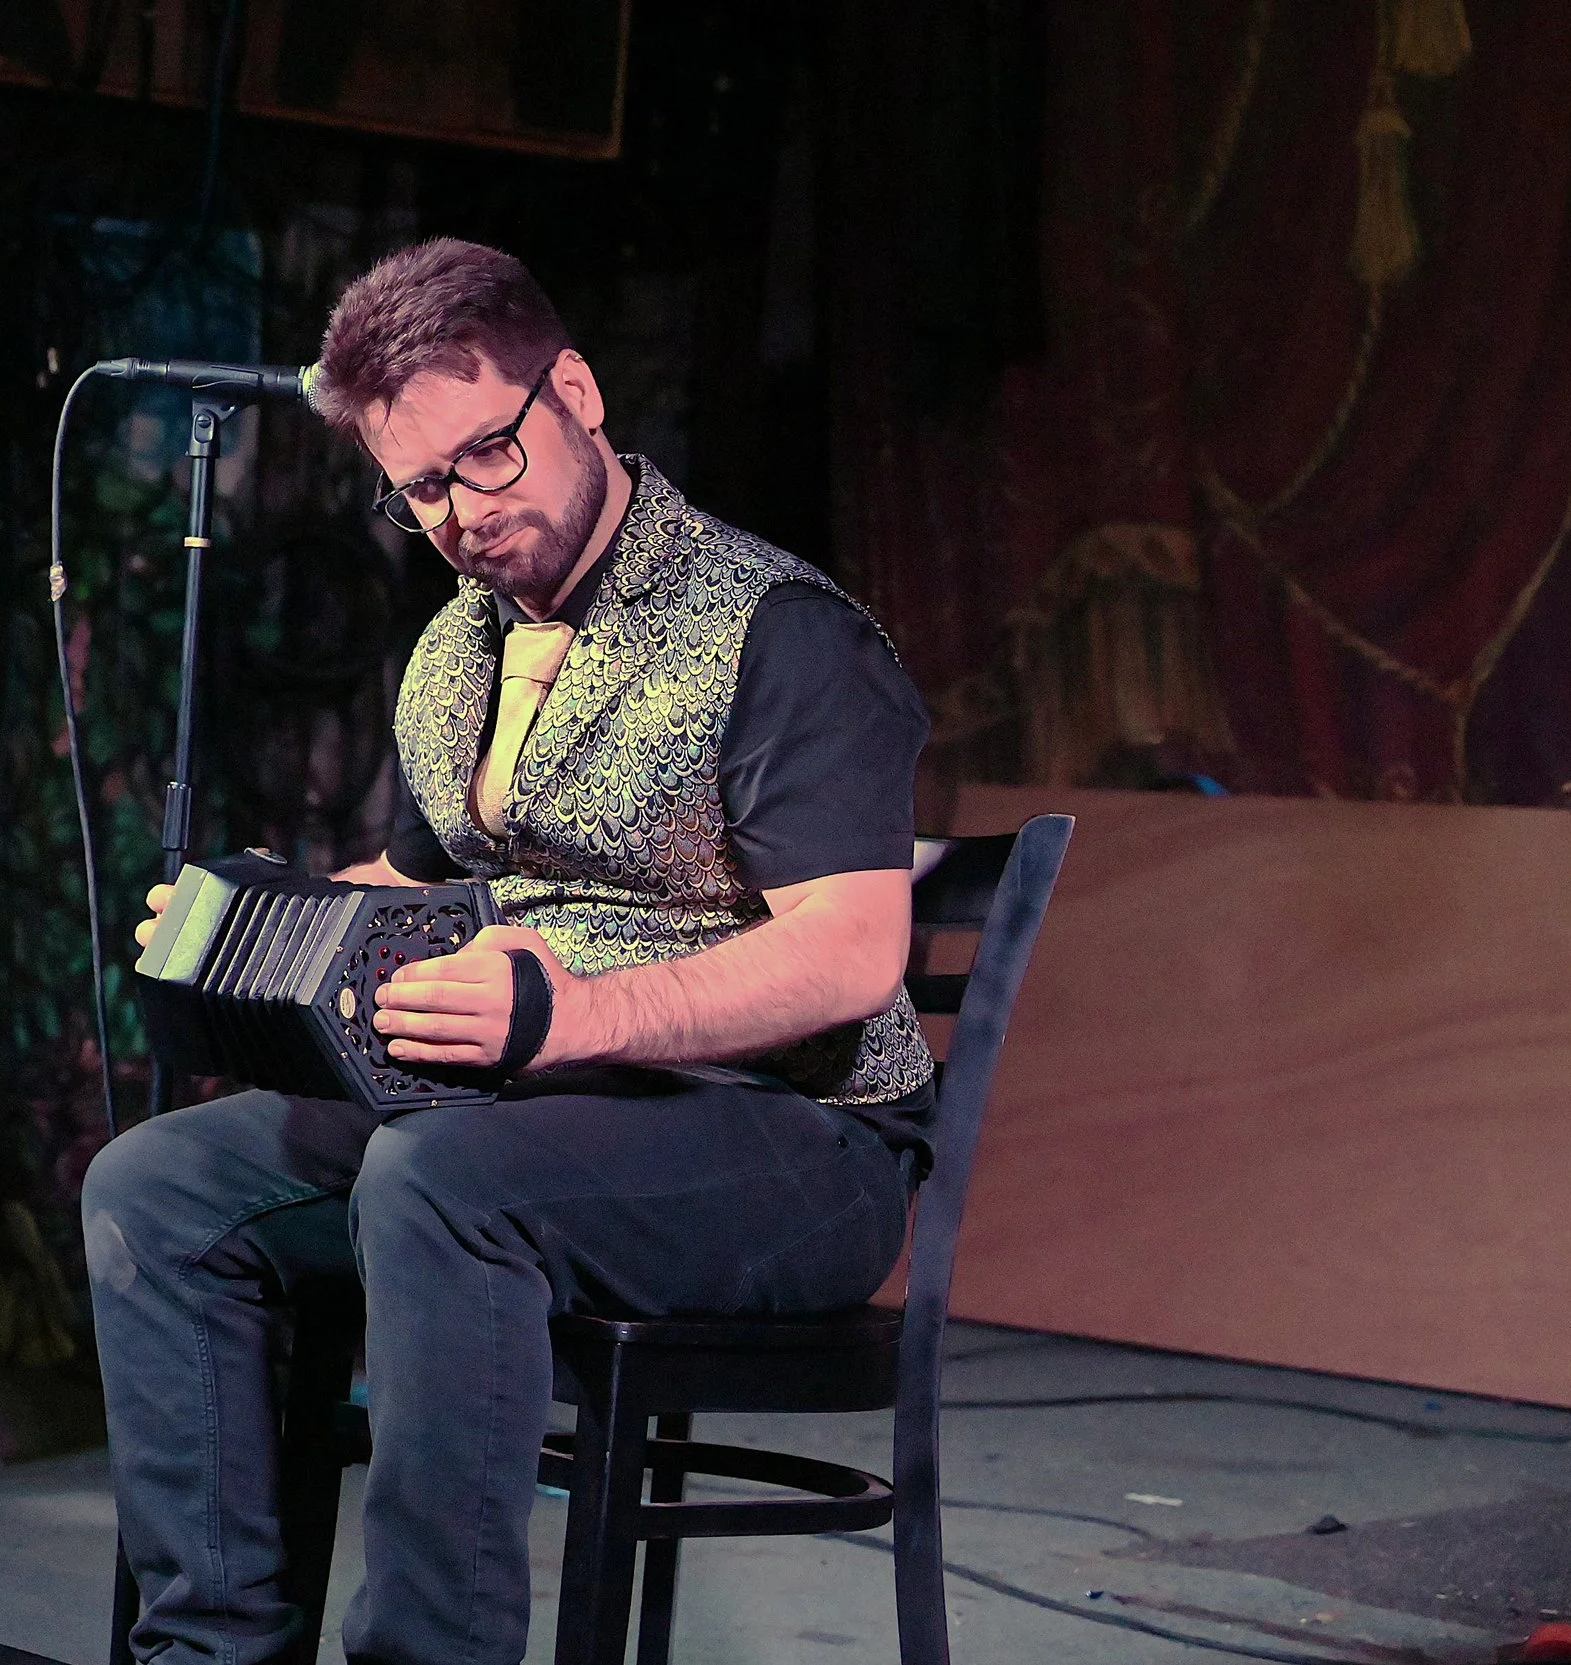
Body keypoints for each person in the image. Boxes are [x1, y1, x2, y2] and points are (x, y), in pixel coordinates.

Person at [82, 237, 933, 1665]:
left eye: (488, 455)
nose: (465, 512)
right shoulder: (460, 651)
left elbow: (848, 956)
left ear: (578, 395)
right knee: (156, 1186)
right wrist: (235, 931)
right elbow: (403, 882)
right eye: (421, 487)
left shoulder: (776, 633)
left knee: (439, 1183)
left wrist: (567, 1019)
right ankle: (211, 1655)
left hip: (794, 1143)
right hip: (540, 1118)